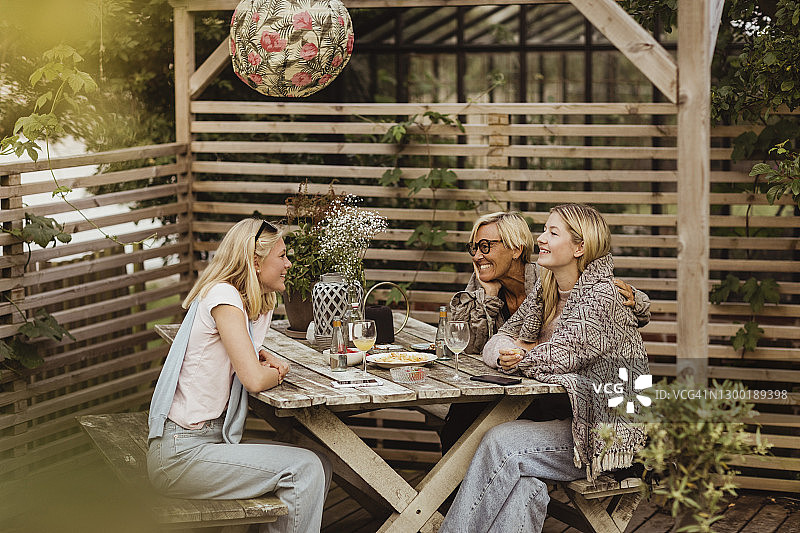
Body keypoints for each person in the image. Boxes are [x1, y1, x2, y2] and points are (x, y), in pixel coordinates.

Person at [439, 204, 650, 533]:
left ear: (580, 247)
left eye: (553, 233)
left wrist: (524, 354)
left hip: (607, 434)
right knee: (525, 488)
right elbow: (499, 341)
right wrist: (518, 352)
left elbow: (562, 356)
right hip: (569, 420)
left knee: (501, 443)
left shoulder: (603, 295)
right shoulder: (547, 289)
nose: (540, 238)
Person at [147, 218, 331, 533]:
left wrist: (257, 354)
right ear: (256, 262)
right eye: (282, 256)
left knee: (322, 464)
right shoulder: (224, 296)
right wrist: (279, 371)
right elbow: (255, 380)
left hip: (203, 443)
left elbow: (233, 351)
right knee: (306, 469)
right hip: (181, 454)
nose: (288, 263)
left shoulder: (246, 301)